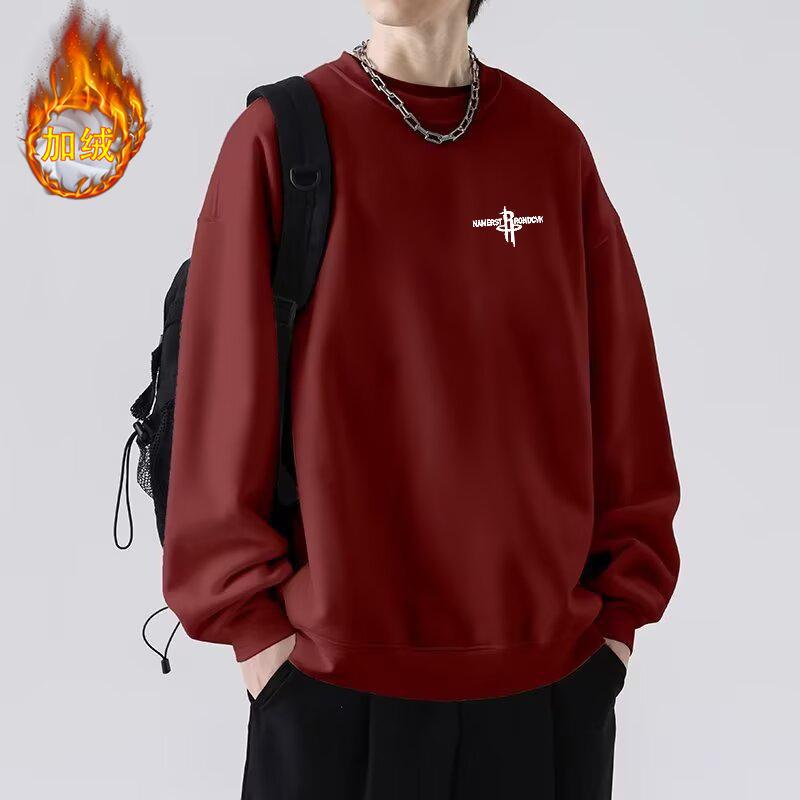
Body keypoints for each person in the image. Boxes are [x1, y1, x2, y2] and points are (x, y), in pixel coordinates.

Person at [163, 1, 680, 797]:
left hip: (546, 693)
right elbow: (218, 400)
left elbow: (625, 400)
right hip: (331, 690)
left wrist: (614, 627)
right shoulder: (279, 141)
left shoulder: (551, 148)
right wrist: (260, 640)